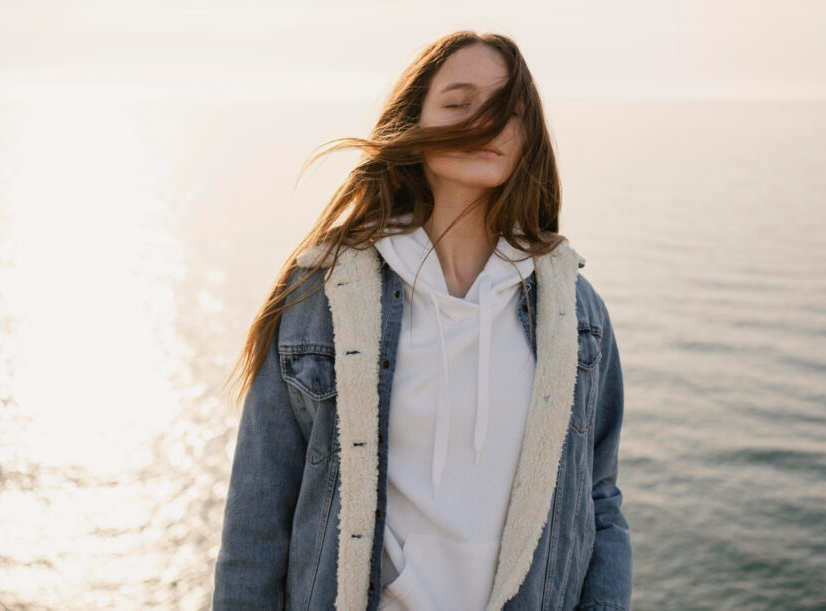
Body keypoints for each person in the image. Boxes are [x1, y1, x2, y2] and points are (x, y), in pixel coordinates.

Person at [211, 30, 632, 610]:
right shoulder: (322, 294)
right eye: (460, 105)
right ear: (414, 126)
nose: (486, 124)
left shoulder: (576, 312)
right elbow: (258, 516)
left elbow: (598, 502)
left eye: (508, 111)